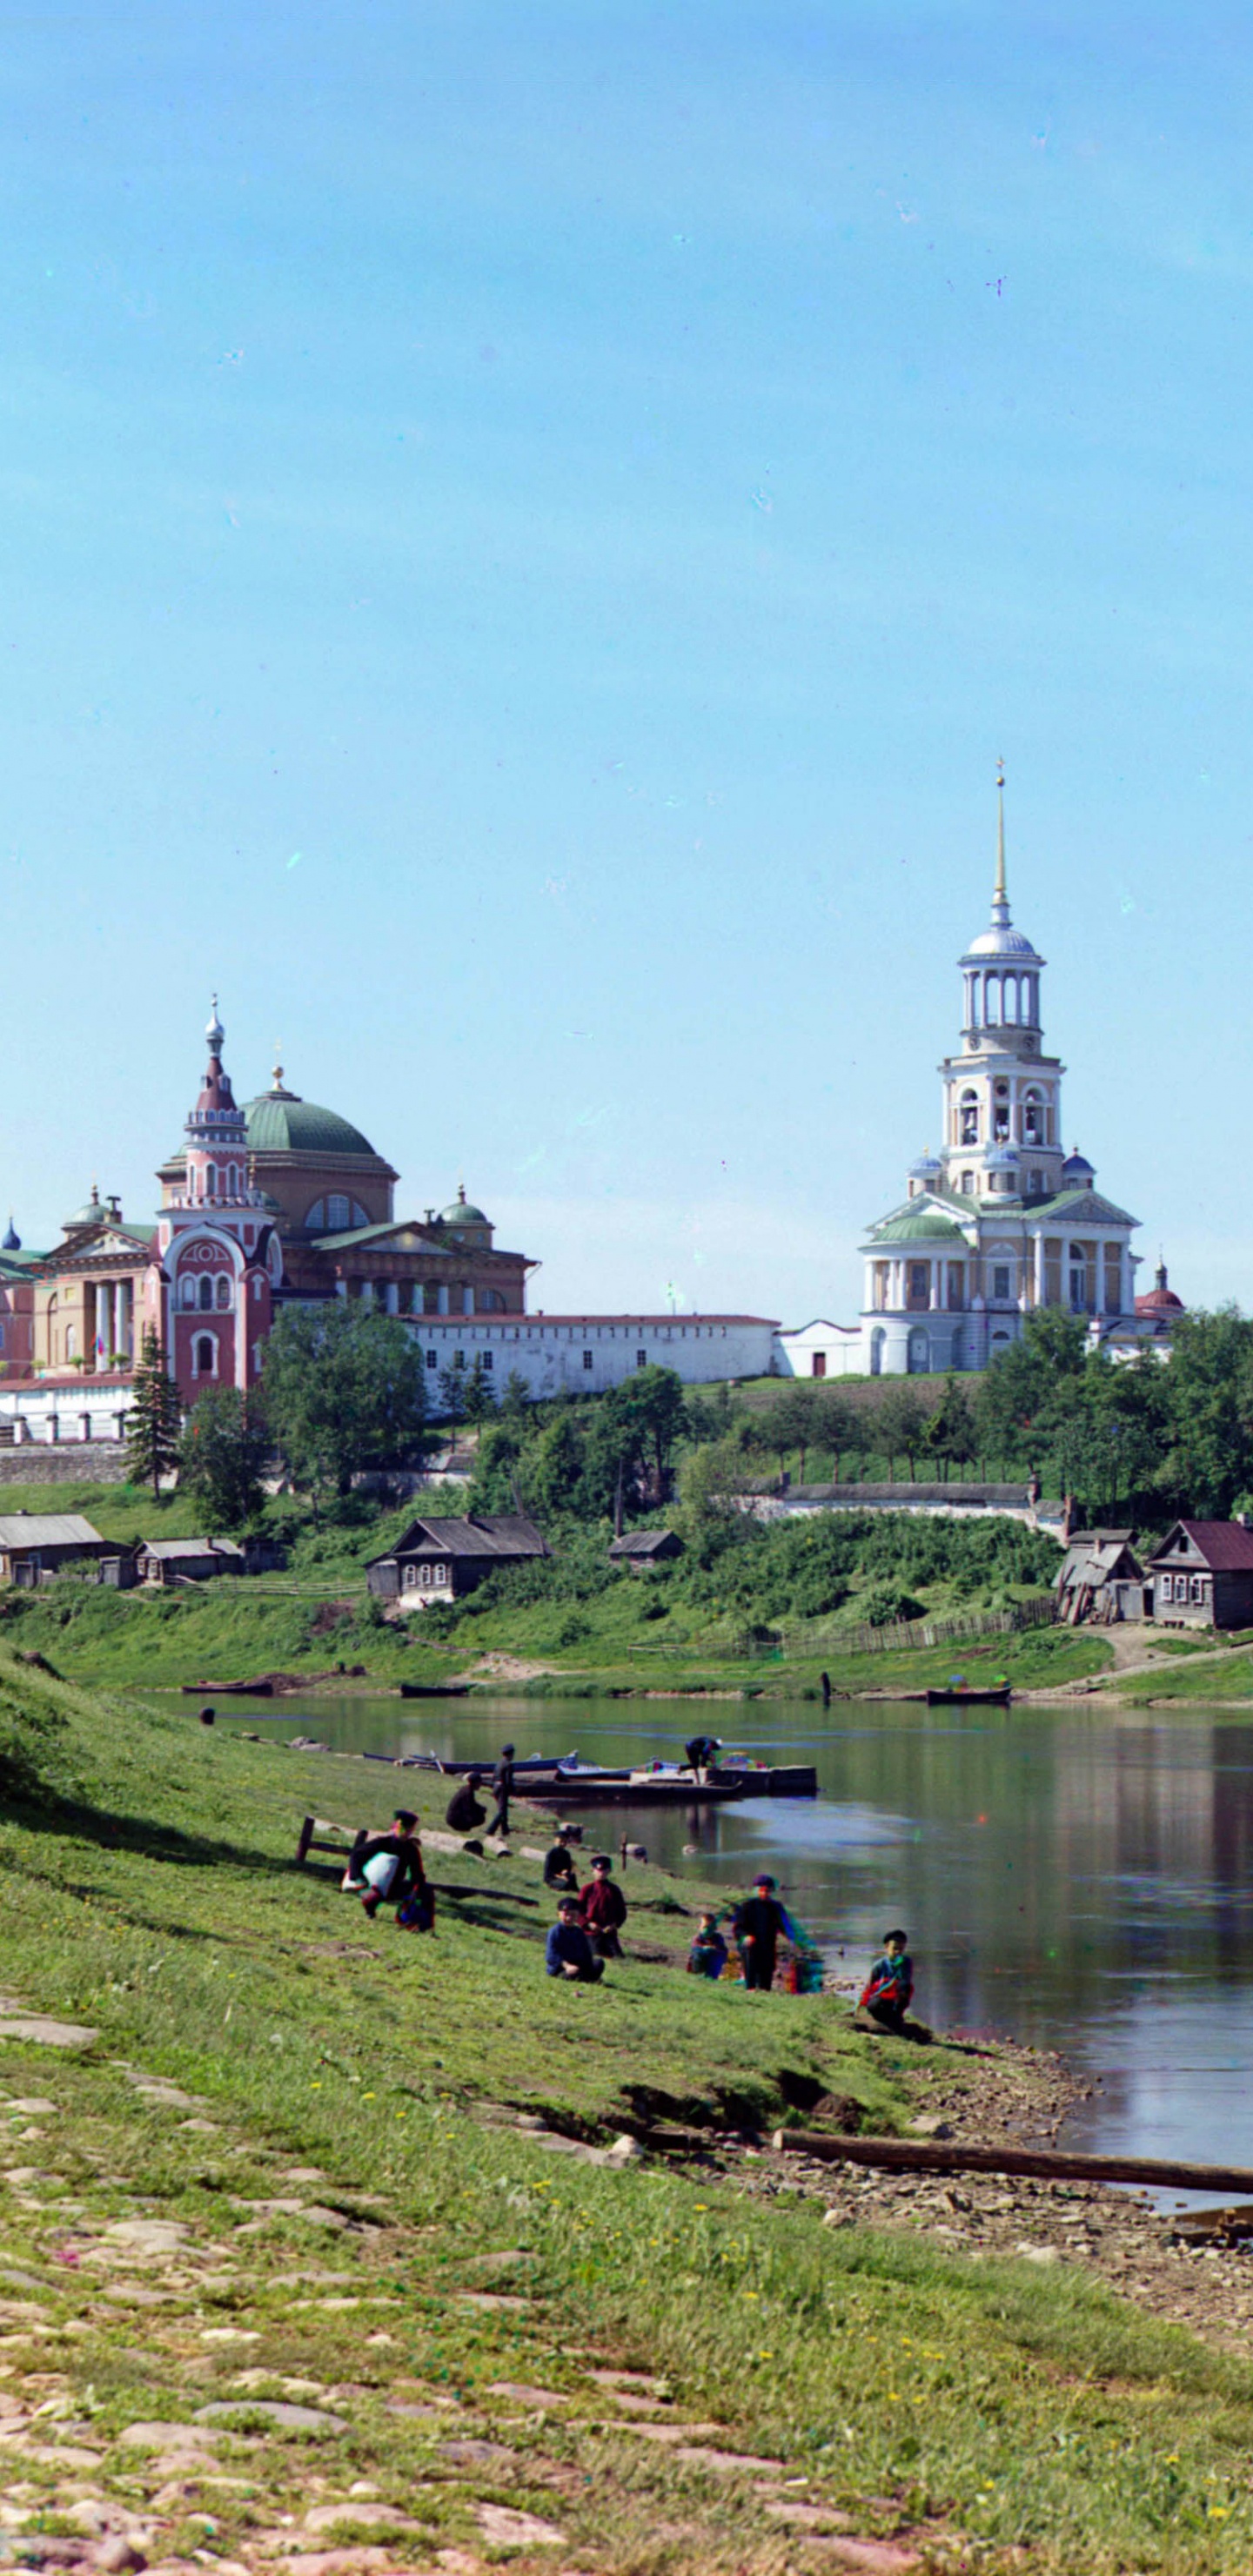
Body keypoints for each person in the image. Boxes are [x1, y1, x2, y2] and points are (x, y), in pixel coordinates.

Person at [343, 1810, 426, 1921]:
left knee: (422, 1895)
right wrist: (360, 1881)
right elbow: (356, 1857)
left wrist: (416, 1892)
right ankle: (370, 1910)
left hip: (394, 1886)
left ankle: (408, 1918)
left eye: (408, 1829)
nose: (405, 1832)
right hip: (370, 1885)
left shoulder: (411, 1850)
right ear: (395, 1826)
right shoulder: (382, 1843)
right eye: (402, 1827)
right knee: (372, 1896)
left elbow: (417, 1874)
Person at [732, 1874, 794, 1991]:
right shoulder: (747, 1906)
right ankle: (750, 1987)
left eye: (768, 1891)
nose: (765, 1893)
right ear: (756, 1890)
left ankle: (765, 1990)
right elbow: (737, 1929)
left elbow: (785, 1926)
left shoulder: (776, 1907)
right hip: (751, 1945)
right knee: (751, 1957)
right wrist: (745, 1936)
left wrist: (792, 1939)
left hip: (768, 1945)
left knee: (766, 1978)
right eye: (762, 1890)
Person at [859, 1930, 915, 2033]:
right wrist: (862, 2000)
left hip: (897, 1995)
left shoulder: (907, 1962)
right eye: (895, 1949)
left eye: (901, 1949)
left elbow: (906, 1981)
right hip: (882, 1995)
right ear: (887, 1947)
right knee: (873, 2006)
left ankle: (897, 2014)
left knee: (904, 1986)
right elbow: (870, 1986)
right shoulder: (879, 1965)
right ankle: (886, 2019)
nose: (898, 1952)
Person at [546, 1895, 604, 1982]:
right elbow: (551, 1955)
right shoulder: (555, 1931)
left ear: (578, 1916)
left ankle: (589, 1977)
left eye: (573, 1915)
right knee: (574, 1973)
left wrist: (588, 1965)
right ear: (559, 1914)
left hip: (577, 1964)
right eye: (566, 1915)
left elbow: (586, 1953)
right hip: (561, 1968)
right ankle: (588, 1978)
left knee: (598, 1963)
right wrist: (567, 1966)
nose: (569, 1918)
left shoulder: (579, 1932)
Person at [580, 1853, 627, 1958]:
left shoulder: (614, 1890)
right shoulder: (587, 1889)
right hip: (591, 1933)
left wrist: (614, 1925)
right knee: (596, 1954)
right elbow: (579, 1911)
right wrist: (589, 1924)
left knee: (618, 1957)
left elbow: (622, 1912)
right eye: (598, 1870)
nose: (601, 1873)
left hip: (609, 1933)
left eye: (604, 1870)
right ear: (593, 1871)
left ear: (609, 1871)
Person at [687, 1910, 728, 1979]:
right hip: (700, 1961)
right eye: (704, 1927)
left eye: (709, 1928)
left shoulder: (718, 1938)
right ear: (700, 1927)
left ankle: (712, 1975)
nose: (706, 1930)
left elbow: (722, 1949)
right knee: (697, 1955)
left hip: (713, 1962)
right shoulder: (697, 1938)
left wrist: (715, 1949)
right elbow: (695, 1947)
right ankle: (698, 1973)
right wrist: (703, 1948)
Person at [487, 1743, 515, 1838]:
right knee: (502, 1812)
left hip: (496, 1787)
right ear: (511, 1754)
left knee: (503, 1810)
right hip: (502, 1788)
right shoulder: (508, 1764)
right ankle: (490, 1830)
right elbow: (508, 1780)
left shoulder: (499, 1763)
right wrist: (512, 1790)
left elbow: (494, 1777)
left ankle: (505, 1830)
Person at [445, 1769, 486, 1835]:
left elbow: (472, 1804)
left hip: (453, 1817)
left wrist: (480, 1808)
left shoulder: (467, 1790)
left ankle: (464, 1827)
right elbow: (469, 1808)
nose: (480, 1785)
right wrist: (480, 1810)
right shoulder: (467, 1792)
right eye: (479, 1783)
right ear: (475, 1783)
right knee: (480, 1818)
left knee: (479, 1814)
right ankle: (462, 1827)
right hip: (453, 1819)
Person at [543, 1825, 580, 1890]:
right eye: (561, 1841)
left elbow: (568, 1868)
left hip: (564, 1877)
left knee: (572, 1877)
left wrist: (566, 1872)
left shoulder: (566, 1854)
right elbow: (548, 1872)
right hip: (552, 1878)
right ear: (555, 1841)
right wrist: (560, 1877)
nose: (563, 1844)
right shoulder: (551, 1853)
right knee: (565, 1885)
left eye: (565, 1842)